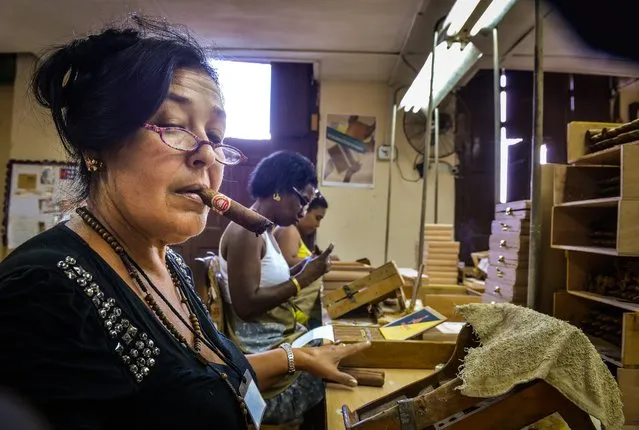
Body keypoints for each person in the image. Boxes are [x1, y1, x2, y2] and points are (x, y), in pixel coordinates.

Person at [0, 16, 369, 430]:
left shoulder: (167, 262)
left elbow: (183, 382)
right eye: (174, 126)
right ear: (97, 145)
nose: (207, 156)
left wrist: (294, 356)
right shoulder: (42, 292)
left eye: (214, 135)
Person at [218, 151, 335, 422]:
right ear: (281, 190)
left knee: (329, 340)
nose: (303, 211)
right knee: (330, 371)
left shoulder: (264, 231)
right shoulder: (247, 230)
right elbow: (246, 305)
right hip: (260, 356)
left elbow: (266, 282)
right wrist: (303, 279)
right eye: (303, 200)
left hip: (272, 339)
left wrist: (303, 270)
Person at [275, 194, 329, 267]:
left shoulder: (297, 233)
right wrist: (318, 261)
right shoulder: (289, 229)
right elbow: (288, 262)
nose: (318, 225)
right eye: (317, 218)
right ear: (304, 210)